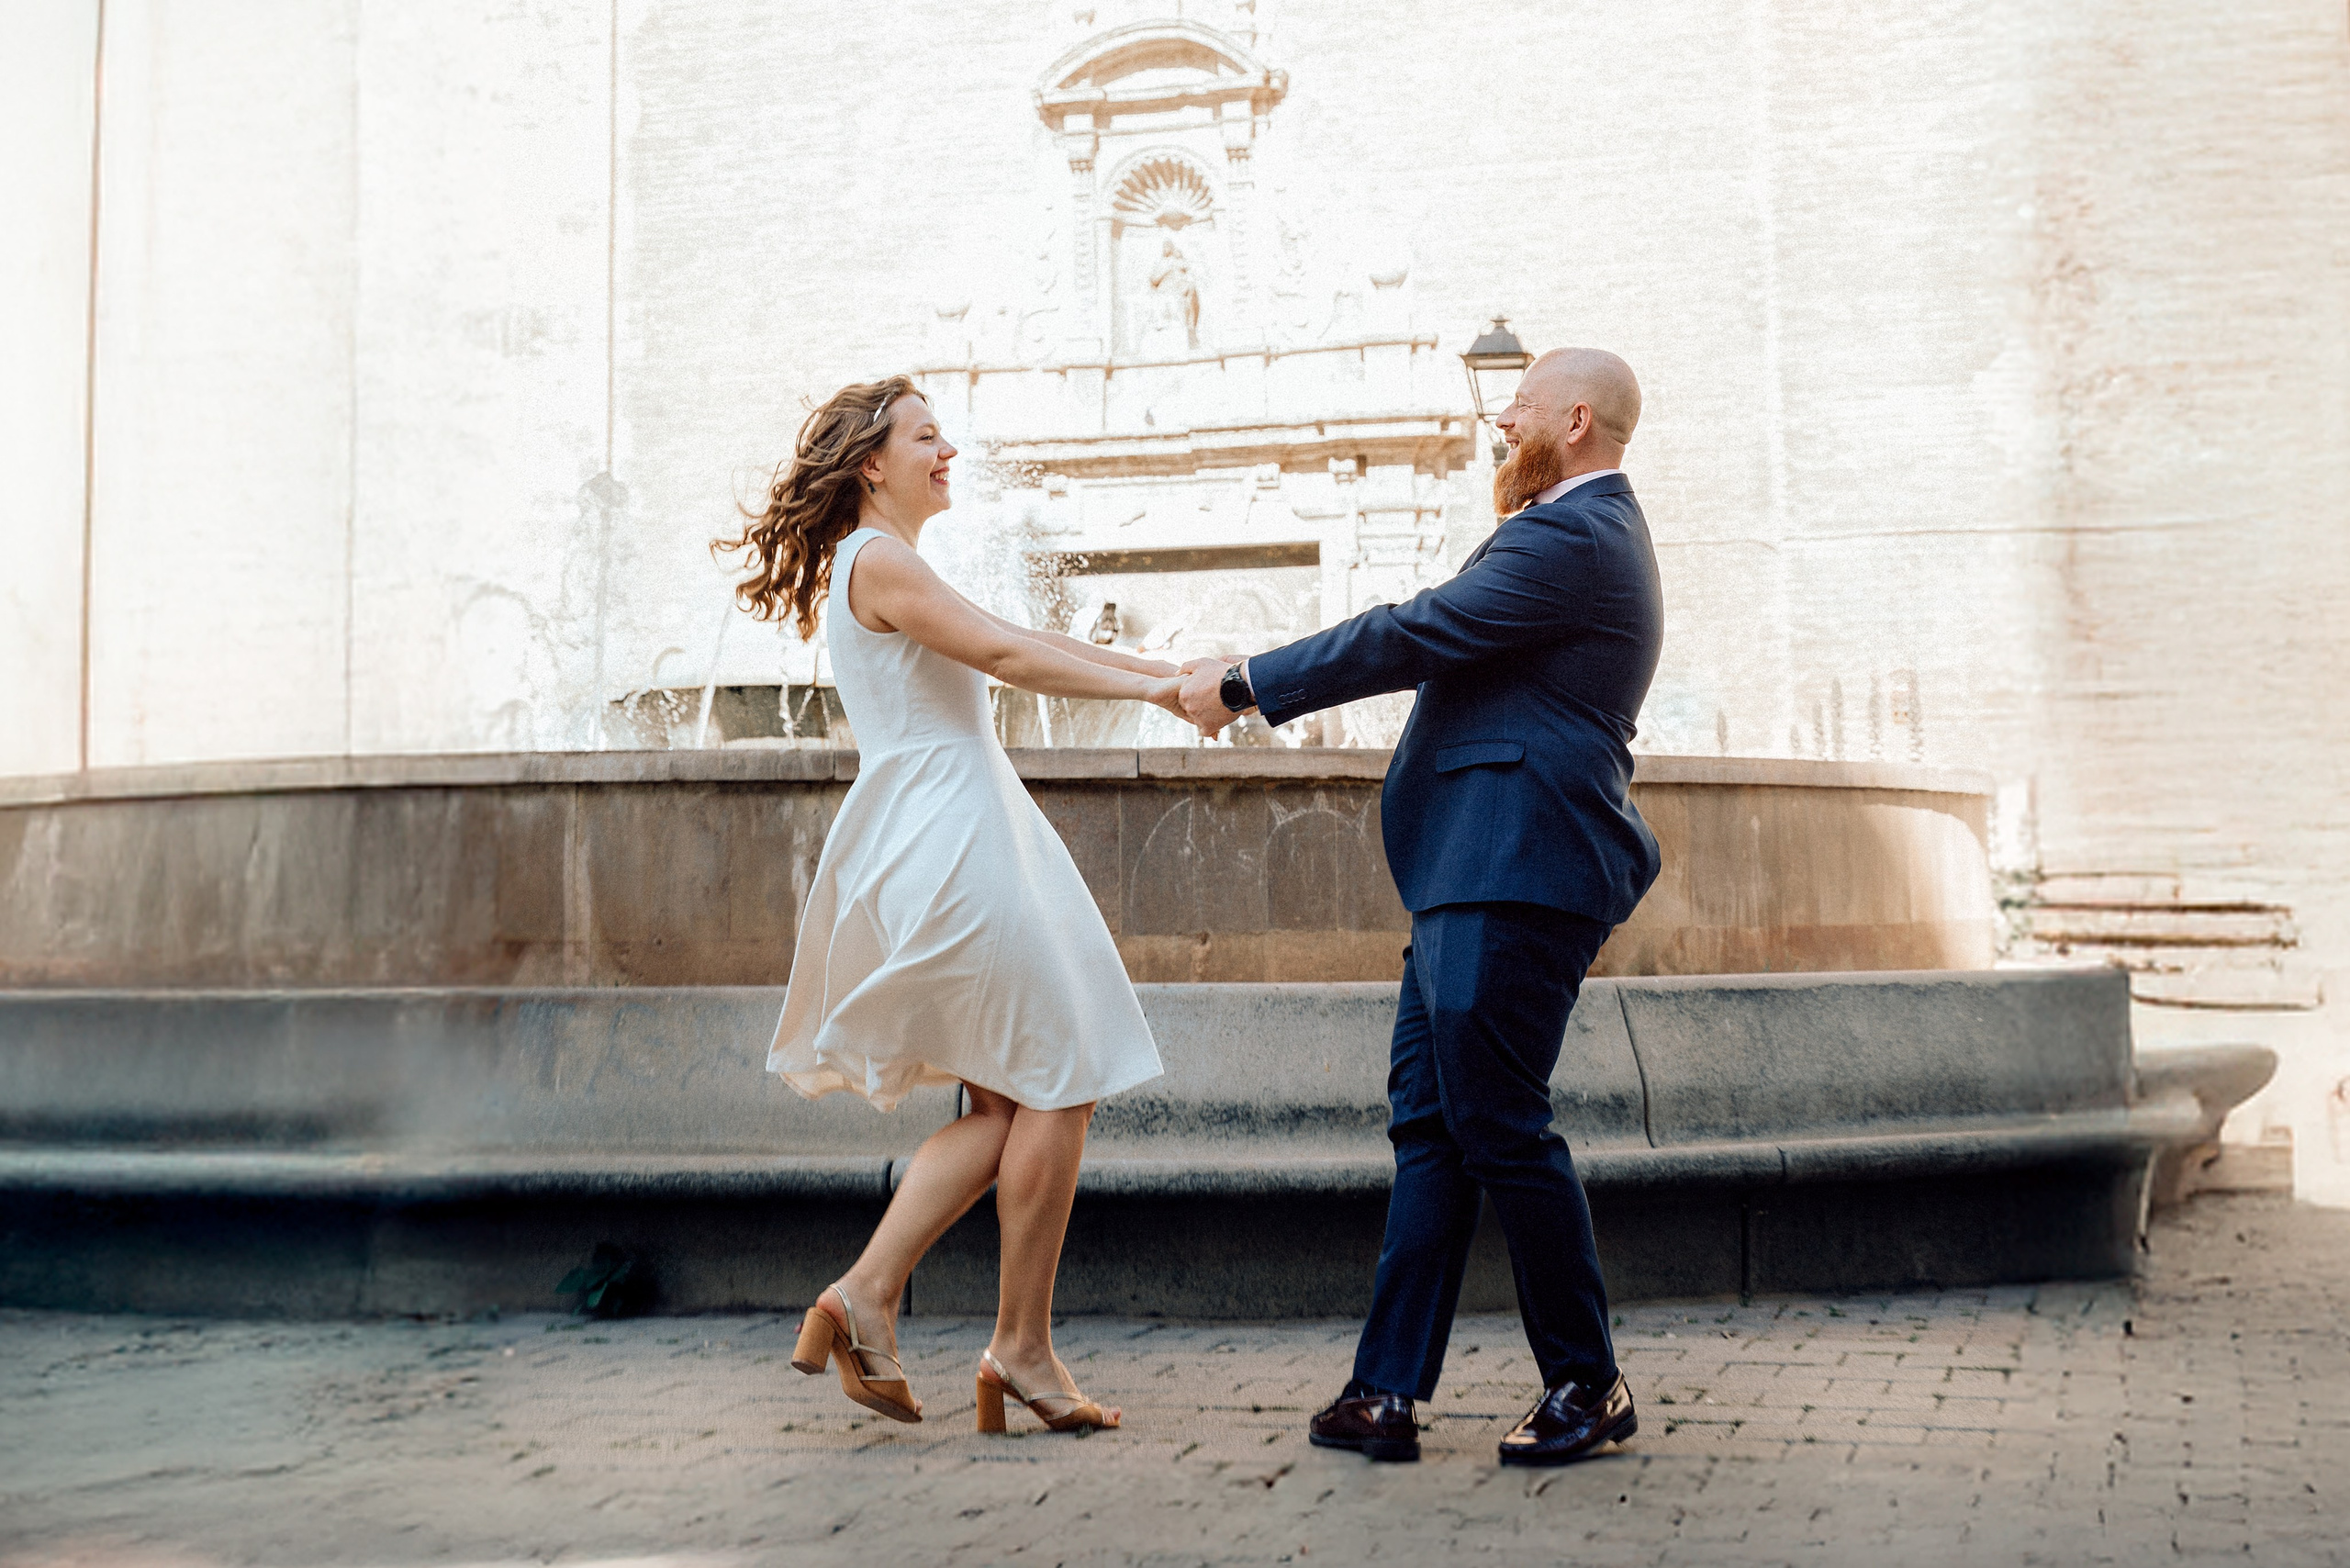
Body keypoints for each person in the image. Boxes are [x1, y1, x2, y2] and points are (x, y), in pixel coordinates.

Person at [1179, 347, 1664, 1467]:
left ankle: (1588, 1382)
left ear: (1576, 420)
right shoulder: (1575, 531)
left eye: (1523, 404)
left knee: (1495, 1122)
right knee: (1434, 1128)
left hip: (1514, 866)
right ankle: (1385, 1391)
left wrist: (1250, 680)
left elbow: (1412, 631)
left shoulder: (1573, 536)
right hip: (1475, 868)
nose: (1502, 418)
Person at [714, 375, 1185, 1435]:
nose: (948, 450)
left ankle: (867, 1295)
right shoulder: (878, 561)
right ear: (872, 463)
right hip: (954, 836)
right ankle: (1014, 1346)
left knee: (1008, 1105)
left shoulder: (882, 562)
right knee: (1062, 1074)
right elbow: (1013, 656)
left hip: (946, 828)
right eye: (926, 436)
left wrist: (1168, 670)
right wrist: (1157, 690)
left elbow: (1024, 636)